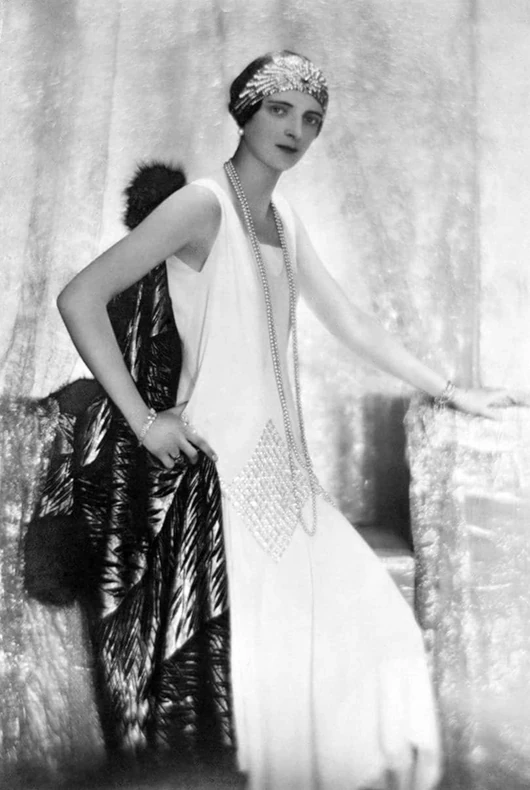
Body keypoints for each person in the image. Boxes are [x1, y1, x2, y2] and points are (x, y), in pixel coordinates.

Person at [57, 50, 514, 790]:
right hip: (222, 477)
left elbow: (350, 321)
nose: (295, 129)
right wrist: (143, 421)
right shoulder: (202, 205)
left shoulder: (283, 219)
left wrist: (452, 389)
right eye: (280, 110)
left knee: (382, 637)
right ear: (245, 113)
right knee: (270, 667)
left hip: (289, 476)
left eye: (312, 119)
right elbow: (80, 297)